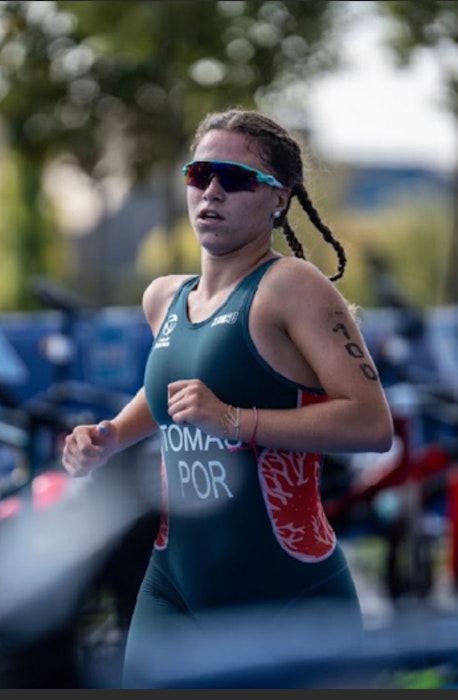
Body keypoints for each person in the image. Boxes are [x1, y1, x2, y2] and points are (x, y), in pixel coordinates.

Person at [62, 108, 394, 688]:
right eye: (200, 174)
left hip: (286, 598)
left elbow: (372, 424)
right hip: (174, 588)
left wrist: (237, 421)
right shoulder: (164, 297)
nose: (211, 191)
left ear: (278, 200)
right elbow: (172, 391)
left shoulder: (292, 286)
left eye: (236, 178)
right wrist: (110, 436)